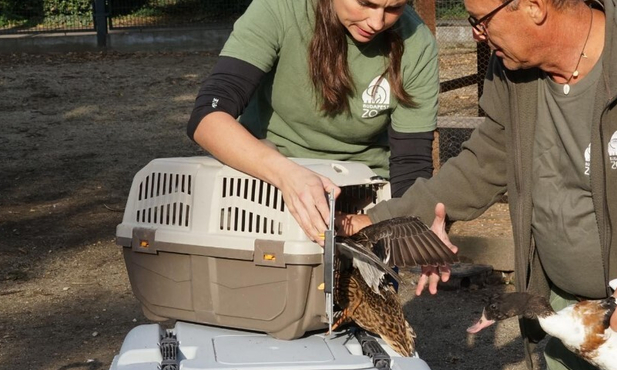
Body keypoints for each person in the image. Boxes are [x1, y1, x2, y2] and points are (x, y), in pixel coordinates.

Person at [339, 0, 617, 368]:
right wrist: (374, 223)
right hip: (566, 317)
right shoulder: (512, 71)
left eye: (480, 20)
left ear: (533, 7)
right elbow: (483, 162)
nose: (476, 34)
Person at [187, 0, 439, 246]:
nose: (376, 22)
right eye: (365, 4)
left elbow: (411, 164)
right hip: (265, 180)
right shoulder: (278, 9)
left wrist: (413, 229)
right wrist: (287, 174)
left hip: (360, 196)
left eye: (393, 8)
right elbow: (208, 118)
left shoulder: (416, 42)